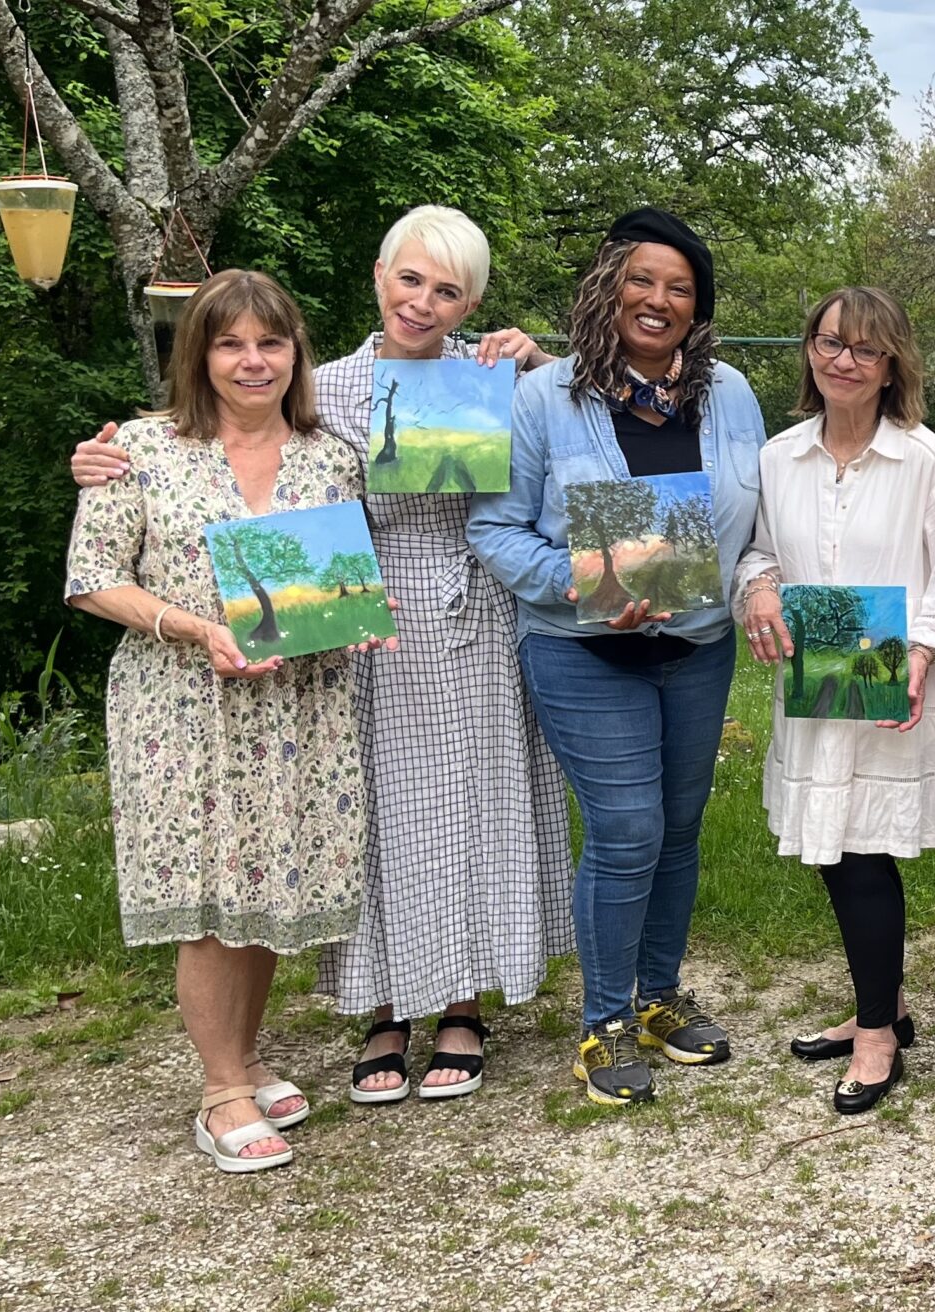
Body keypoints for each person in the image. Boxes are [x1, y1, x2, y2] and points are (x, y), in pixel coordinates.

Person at [67, 208, 568, 1104]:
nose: (424, 301)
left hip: (473, 613)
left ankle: (462, 1002)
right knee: (376, 817)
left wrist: (537, 365)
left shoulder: (497, 378)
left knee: (473, 805)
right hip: (350, 633)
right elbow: (234, 449)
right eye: (410, 279)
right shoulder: (330, 389)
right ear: (379, 274)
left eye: (448, 289)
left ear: (474, 300)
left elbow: (581, 437)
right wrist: (101, 458)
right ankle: (385, 1004)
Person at [64, 270, 394, 1170]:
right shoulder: (140, 449)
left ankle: (244, 1056)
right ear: (198, 354)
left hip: (297, 706)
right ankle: (219, 1095)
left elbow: (326, 582)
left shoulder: (331, 457)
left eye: (271, 343)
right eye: (230, 344)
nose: (253, 362)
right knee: (213, 897)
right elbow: (93, 578)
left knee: (269, 883)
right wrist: (192, 626)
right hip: (182, 709)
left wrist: (348, 618)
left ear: (297, 353)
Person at [468, 207, 767, 1106]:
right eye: (643, 279)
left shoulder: (734, 395)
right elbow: (495, 528)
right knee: (628, 829)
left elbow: (758, 523)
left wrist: (751, 583)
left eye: (680, 288)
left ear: (697, 308)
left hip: (699, 645)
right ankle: (604, 1022)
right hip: (583, 648)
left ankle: (660, 998)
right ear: (609, 286)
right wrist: (584, 582)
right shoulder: (541, 397)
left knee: (678, 830)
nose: (659, 300)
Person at [738, 288, 935, 1115]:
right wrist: (762, 586)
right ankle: (884, 1002)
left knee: (862, 853)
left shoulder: (925, 460)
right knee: (830, 848)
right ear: (809, 350)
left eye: (865, 349)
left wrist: (919, 656)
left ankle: (878, 1033)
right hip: (818, 682)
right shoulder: (779, 456)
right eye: (830, 342)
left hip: (891, 690)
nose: (843, 360)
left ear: (892, 368)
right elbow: (759, 551)